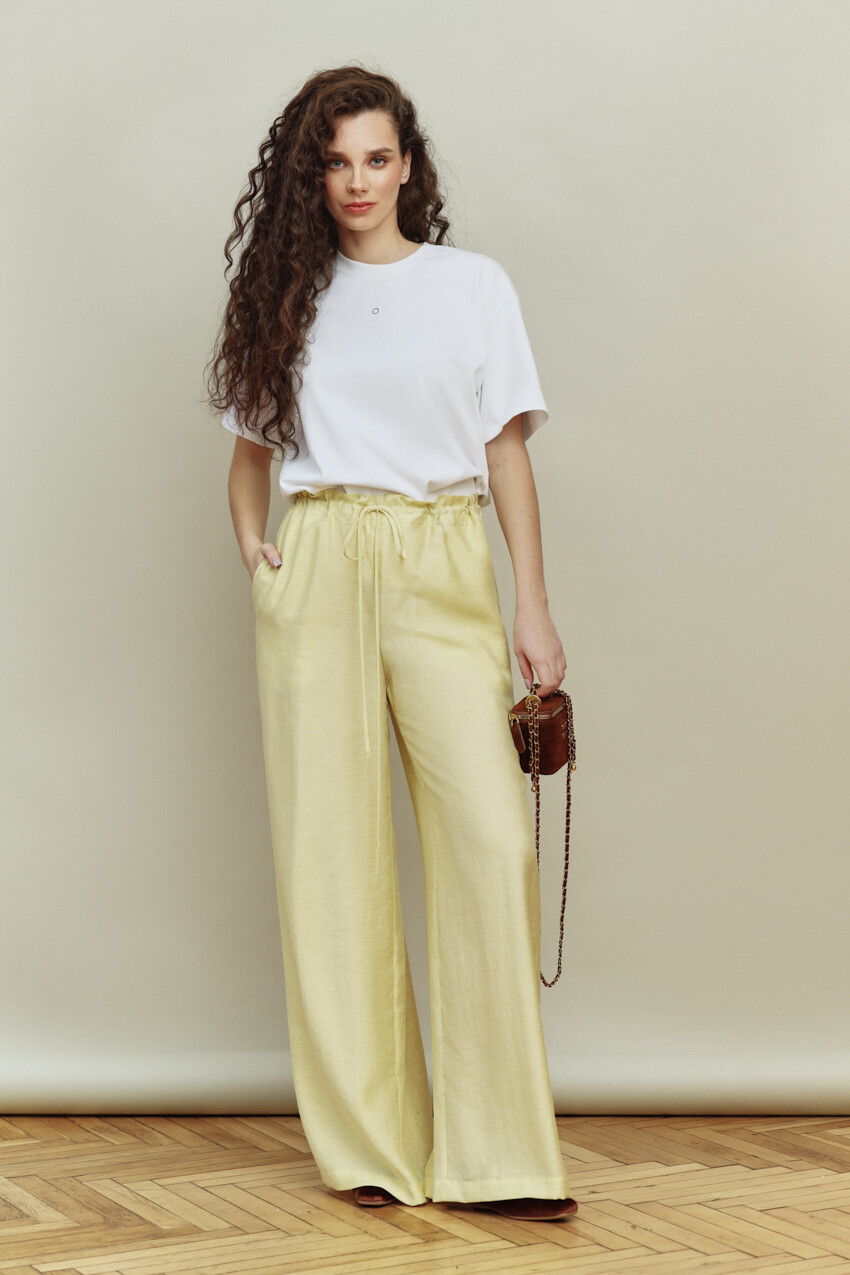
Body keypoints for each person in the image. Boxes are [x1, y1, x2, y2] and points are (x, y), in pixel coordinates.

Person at [206, 65, 578, 1223]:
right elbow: (249, 458)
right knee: (331, 854)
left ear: (408, 164)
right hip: (320, 560)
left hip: (438, 557)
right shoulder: (288, 296)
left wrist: (530, 603)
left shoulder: (471, 287)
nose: (357, 181)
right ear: (310, 177)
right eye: (334, 163)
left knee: (489, 841)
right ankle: (370, 1147)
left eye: (376, 158)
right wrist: (259, 553)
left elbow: (505, 452)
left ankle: (496, 1156)